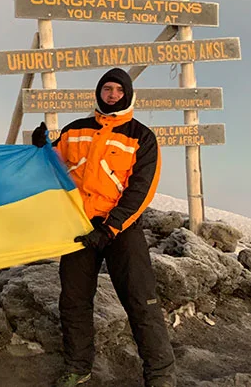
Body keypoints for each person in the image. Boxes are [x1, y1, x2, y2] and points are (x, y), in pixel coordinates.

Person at [32, 68, 176, 387]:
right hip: (80, 227)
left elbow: (141, 189)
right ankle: (78, 366)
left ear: (127, 95)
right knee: (74, 300)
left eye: (118, 90)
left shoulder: (142, 136)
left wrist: (110, 228)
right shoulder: (75, 131)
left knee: (141, 299)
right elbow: (51, 169)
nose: (111, 94)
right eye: (106, 88)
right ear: (98, 93)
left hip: (120, 230)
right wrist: (40, 148)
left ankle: (160, 373)